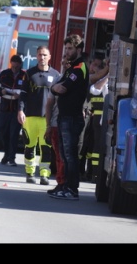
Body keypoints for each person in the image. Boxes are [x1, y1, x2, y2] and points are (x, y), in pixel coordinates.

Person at [49, 34, 89, 200]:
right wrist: (54, 88)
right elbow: (55, 88)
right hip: (64, 117)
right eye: (66, 48)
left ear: (79, 49)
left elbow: (64, 87)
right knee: (65, 155)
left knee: (71, 155)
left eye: (70, 48)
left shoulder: (80, 68)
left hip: (72, 118)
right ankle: (65, 186)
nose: (67, 51)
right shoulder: (71, 68)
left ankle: (72, 189)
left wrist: (56, 87)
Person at [17, 46, 61, 185]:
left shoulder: (56, 75)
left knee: (46, 148)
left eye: (44, 55)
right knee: (29, 146)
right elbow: (23, 94)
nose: (42, 57)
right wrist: (20, 110)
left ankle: (44, 175)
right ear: (36, 56)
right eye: (40, 55)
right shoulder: (29, 73)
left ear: (49, 57)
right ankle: (30, 173)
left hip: (46, 118)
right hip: (30, 117)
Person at [79, 53, 109, 183]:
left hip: (98, 117)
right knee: (84, 145)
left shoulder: (105, 80)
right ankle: (85, 171)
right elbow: (93, 90)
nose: (95, 68)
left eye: (99, 66)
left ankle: (93, 173)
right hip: (91, 117)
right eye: (94, 64)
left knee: (95, 146)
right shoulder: (88, 78)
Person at [0, 54, 26, 167]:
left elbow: (26, 91)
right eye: (13, 66)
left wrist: (20, 96)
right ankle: (6, 153)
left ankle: (12, 158)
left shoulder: (24, 75)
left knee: (14, 134)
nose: (15, 69)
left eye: (17, 67)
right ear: (11, 64)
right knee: (3, 131)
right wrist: (0, 91)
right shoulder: (4, 74)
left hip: (16, 110)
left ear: (20, 65)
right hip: (5, 108)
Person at [44, 55, 70, 196]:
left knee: (68, 156)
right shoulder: (57, 80)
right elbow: (48, 105)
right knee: (59, 156)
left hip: (70, 123)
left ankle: (67, 184)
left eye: (68, 63)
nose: (66, 65)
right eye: (64, 63)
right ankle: (61, 183)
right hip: (55, 124)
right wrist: (48, 125)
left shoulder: (77, 80)